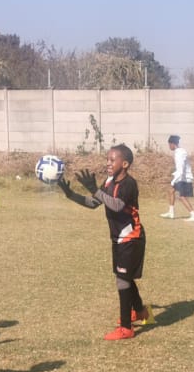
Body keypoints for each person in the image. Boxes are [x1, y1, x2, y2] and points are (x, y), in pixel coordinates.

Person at [58, 144, 151, 340]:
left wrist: (94, 189)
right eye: (107, 159)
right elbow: (94, 203)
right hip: (118, 238)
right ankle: (140, 311)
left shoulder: (129, 184)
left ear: (124, 164)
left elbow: (117, 205)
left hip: (131, 237)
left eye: (112, 160)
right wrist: (71, 194)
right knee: (124, 276)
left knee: (122, 279)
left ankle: (126, 328)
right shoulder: (109, 182)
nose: (108, 163)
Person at [159, 134, 194, 222]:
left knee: (182, 197)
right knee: (171, 191)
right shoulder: (179, 152)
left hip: (184, 178)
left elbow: (180, 169)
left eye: (169, 144)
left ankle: (193, 215)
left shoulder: (179, 153)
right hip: (181, 177)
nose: (169, 146)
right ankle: (171, 213)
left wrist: (174, 181)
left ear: (173, 144)